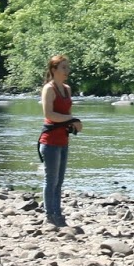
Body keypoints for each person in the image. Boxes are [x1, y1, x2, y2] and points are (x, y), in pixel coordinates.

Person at [38, 54, 82, 226]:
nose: (67, 70)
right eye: (63, 67)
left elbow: (65, 115)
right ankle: (50, 215)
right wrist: (71, 119)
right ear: (53, 70)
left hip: (63, 140)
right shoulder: (49, 89)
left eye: (67, 67)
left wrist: (73, 124)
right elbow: (49, 114)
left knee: (59, 181)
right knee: (51, 180)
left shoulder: (67, 89)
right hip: (49, 142)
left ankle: (58, 213)